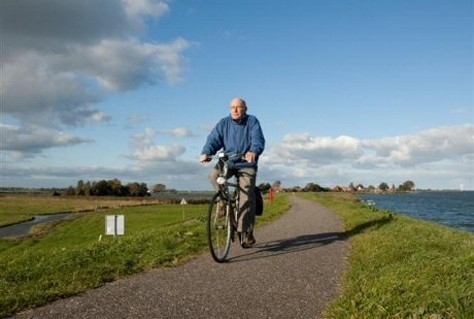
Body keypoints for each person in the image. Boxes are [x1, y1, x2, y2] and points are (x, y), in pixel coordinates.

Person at [200, 97, 265, 247]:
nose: (235, 110)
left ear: (245, 109)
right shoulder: (224, 123)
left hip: (246, 163)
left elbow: (258, 139)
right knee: (214, 175)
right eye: (232, 107)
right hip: (227, 161)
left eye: (238, 107)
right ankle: (223, 202)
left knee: (246, 195)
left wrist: (253, 151)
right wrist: (206, 152)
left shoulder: (252, 122)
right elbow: (213, 140)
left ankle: (245, 231)